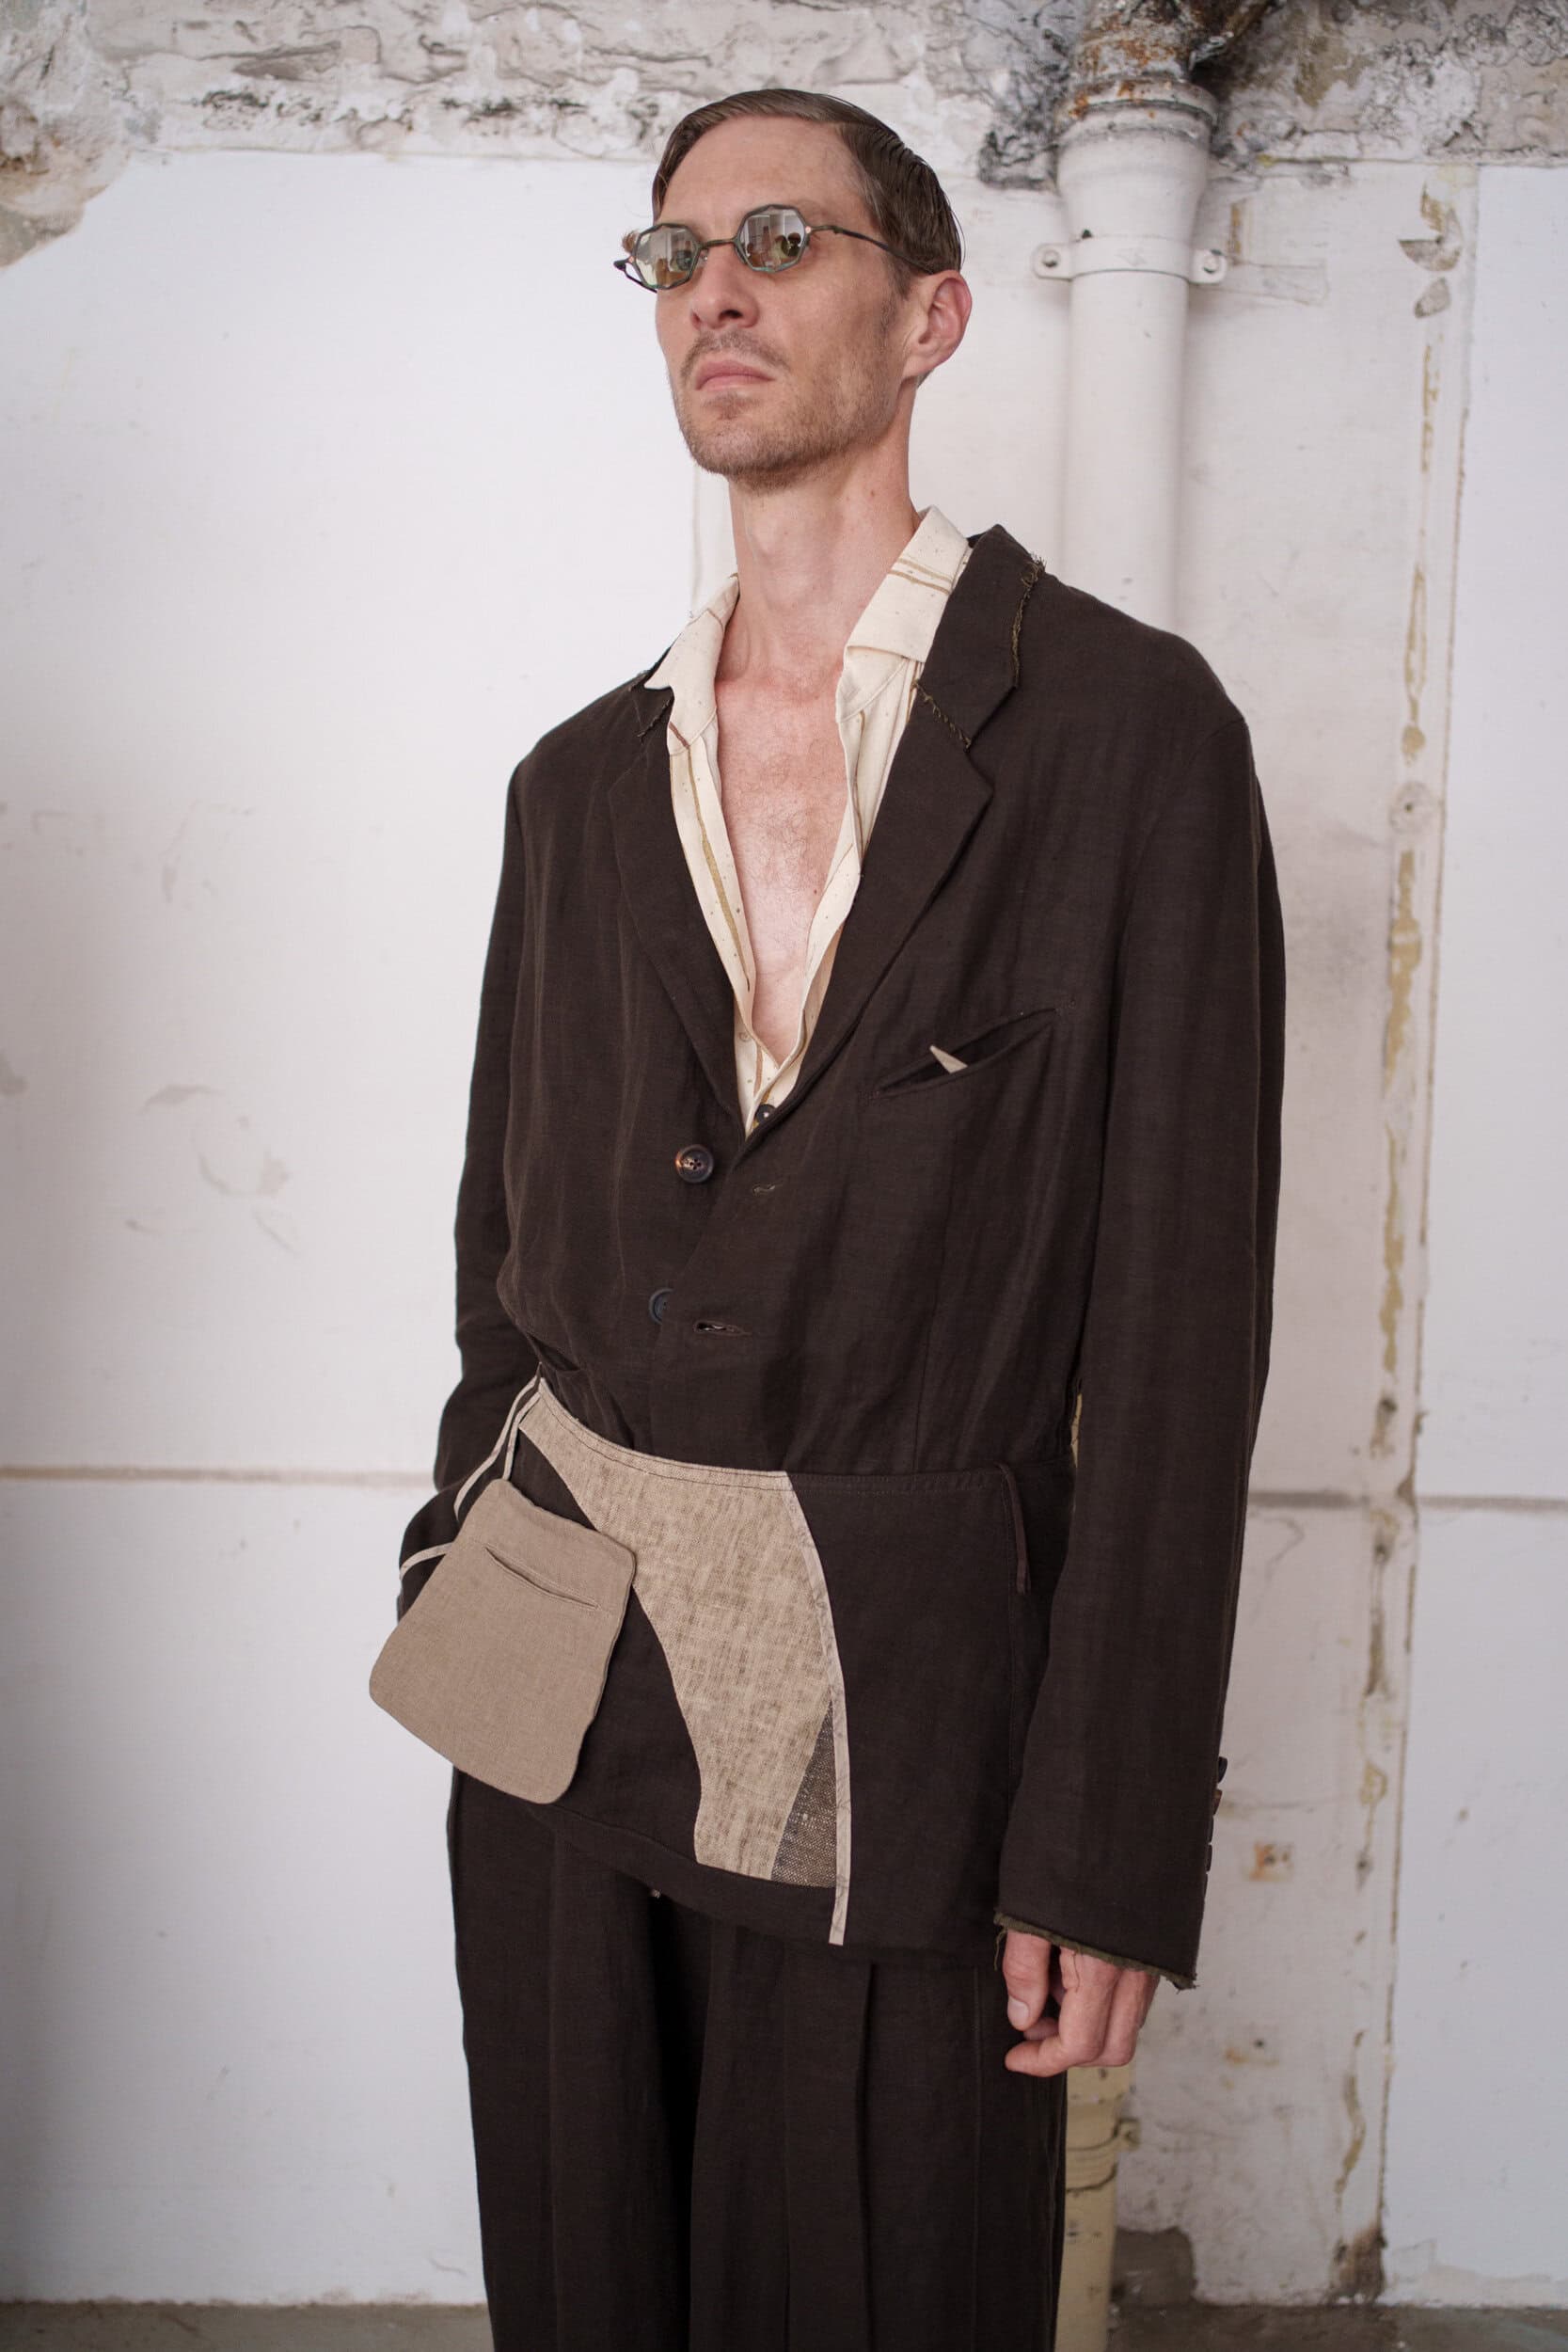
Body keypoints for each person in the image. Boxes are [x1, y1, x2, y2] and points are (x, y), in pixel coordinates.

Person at [372, 83, 1285, 2352]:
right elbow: (503, 1256)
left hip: (905, 1717)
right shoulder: (577, 784)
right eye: (676, 254)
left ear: (931, 314)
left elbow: (1180, 1341)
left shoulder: (1129, 740)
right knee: (582, 2277)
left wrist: (1106, 1836)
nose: (718, 290)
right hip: (555, 1682)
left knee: (879, 2289)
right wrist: (449, 1562)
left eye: (781, 241)